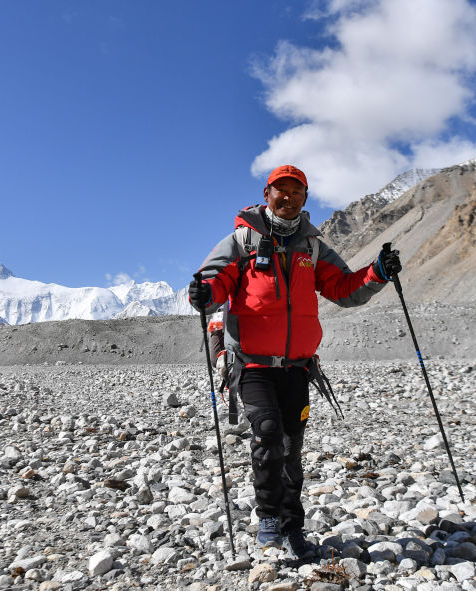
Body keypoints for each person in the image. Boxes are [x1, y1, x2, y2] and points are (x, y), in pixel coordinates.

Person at [188, 164, 402, 559]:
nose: (288, 197)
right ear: (267, 194)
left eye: (296, 191)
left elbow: (343, 289)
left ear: (305, 198)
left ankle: (292, 527)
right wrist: (203, 293)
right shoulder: (242, 241)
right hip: (252, 364)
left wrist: (377, 273)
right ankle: (268, 518)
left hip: (297, 367)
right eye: (280, 190)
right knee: (268, 434)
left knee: (291, 447)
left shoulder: (312, 246)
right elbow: (213, 282)